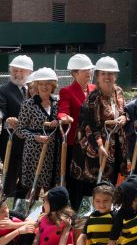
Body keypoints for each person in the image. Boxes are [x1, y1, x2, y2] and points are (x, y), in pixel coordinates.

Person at [79, 56, 128, 186]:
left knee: (117, 180)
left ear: (115, 76)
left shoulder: (119, 92)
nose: (107, 77)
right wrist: (99, 146)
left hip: (118, 143)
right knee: (100, 182)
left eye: (110, 73)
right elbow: (91, 126)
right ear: (97, 76)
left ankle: (113, 204)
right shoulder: (93, 97)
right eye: (103, 73)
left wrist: (124, 117)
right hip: (99, 146)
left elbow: (123, 112)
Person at [58, 54, 97, 208]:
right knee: (75, 179)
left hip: (93, 143)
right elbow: (63, 110)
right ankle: (74, 209)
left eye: (90, 69)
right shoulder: (67, 91)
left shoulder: (95, 89)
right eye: (84, 70)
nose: (89, 72)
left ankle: (89, 209)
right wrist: (64, 117)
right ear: (74, 73)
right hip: (75, 144)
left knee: (92, 177)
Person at [8, 186, 73, 245]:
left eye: (45, 202)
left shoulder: (66, 222)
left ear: (54, 204)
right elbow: (36, 239)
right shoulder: (42, 218)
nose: (43, 204)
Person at [17, 68, 61, 197]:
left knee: (50, 189)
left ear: (53, 85)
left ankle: (48, 214)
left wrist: (58, 123)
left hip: (52, 150)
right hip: (34, 151)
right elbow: (20, 130)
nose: (44, 87)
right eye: (41, 84)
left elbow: (61, 121)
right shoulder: (28, 104)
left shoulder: (57, 103)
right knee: (33, 189)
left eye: (48, 83)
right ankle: (27, 213)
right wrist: (36, 137)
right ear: (36, 86)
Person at [63, 181, 115, 245]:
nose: (101, 205)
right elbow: (81, 238)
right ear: (93, 201)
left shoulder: (115, 216)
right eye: (98, 201)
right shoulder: (92, 217)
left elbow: (115, 240)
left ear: (113, 200)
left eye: (105, 201)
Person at [0, 55, 33, 198]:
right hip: (11, 144)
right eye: (15, 70)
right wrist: (6, 119)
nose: (18, 74)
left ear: (29, 73)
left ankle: (20, 210)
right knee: (10, 180)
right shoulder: (3, 90)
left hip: (31, 144)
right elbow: (2, 111)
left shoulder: (33, 90)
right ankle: (6, 210)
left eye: (22, 71)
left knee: (27, 181)